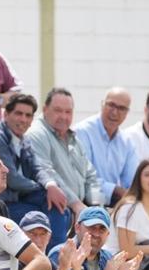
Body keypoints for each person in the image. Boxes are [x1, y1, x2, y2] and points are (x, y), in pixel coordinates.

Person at [0, 93, 69, 242]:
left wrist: (50, 185)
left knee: (59, 207)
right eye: (18, 114)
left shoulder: (24, 139)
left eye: (28, 115)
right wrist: (43, 188)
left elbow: (38, 167)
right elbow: (12, 178)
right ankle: (53, 260)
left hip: (19, 198)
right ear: (6, 114)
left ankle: (53, 257)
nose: (23, 119)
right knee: (48, 214)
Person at [24, 87, 103, 219]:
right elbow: (46, 172)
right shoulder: (36, 134)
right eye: (58, 110)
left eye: (68, 112)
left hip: (79, 211)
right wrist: (76, 204)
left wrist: (97, 206)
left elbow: (91, 175)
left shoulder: (73, 138)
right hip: (54, 212)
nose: (64, 116)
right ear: (44, 109)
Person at [76, 88, 139, 205]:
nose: (115, 112)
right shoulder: (83, 132)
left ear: (127, 113)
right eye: (111, 105)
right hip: (85, 202)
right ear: (102, 105)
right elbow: (83, 177)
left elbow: (132, 182)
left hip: (114, 201)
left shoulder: (127, 142)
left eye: (121, 108)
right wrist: (115, 190)